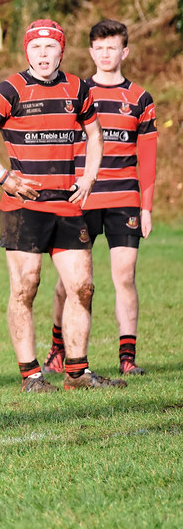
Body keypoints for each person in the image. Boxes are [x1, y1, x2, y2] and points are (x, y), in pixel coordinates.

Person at [0, 19, 125, 394]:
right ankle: (31, 375)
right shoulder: (10, 89)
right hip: (24, 207)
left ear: (61, 51)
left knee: (82, 286)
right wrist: (3, 176)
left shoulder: (78, 88)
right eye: (36, 48)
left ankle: (77, 372)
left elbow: (95, 134)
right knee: (26, 287)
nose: (43, 54)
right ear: (26, 51)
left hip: (68, 204)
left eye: (50, 47)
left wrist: (89, 178)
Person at [44, 19, 157, 377]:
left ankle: (128, 357)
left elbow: (148, 157)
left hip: (124, 196)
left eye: (113, 47)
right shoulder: (76, 92)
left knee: (124, 276)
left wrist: (147, 206)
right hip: (81, 196)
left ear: (125, 51)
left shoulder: (139, 98)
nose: (106, 53)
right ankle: (58, 349)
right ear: (91, 51)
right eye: (100, 47)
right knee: (69, 281)